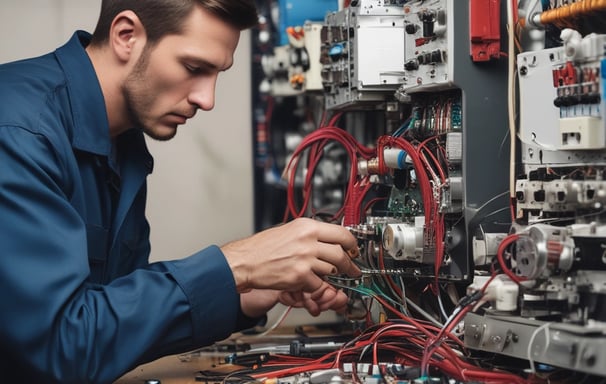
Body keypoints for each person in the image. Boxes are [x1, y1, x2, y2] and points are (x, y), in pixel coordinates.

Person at [0, 1, 361, 383]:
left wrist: (245, 289)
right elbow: (63, 348)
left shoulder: (121, 143)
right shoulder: (20, 134)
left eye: (217, 73)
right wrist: (238, 264)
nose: (207, 99)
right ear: (127, 36)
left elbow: (110, 323)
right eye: (193, 68)